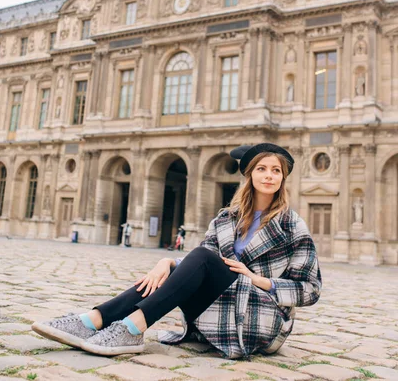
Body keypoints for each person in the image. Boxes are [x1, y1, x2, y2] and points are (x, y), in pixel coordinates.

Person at [32, 143, 321, 359]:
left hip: (261, 320)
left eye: (276, 171)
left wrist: (260, 280)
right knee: (175, 267)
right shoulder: (225, 218)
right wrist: (167, 261)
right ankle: (92, 321)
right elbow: (199, 266)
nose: (269, 176)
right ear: (249, 175)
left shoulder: (292, 225)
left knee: (202, 257)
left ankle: (131, 327)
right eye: (262, 168)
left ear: (283, 179)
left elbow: (310, 289)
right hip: (220, 310)